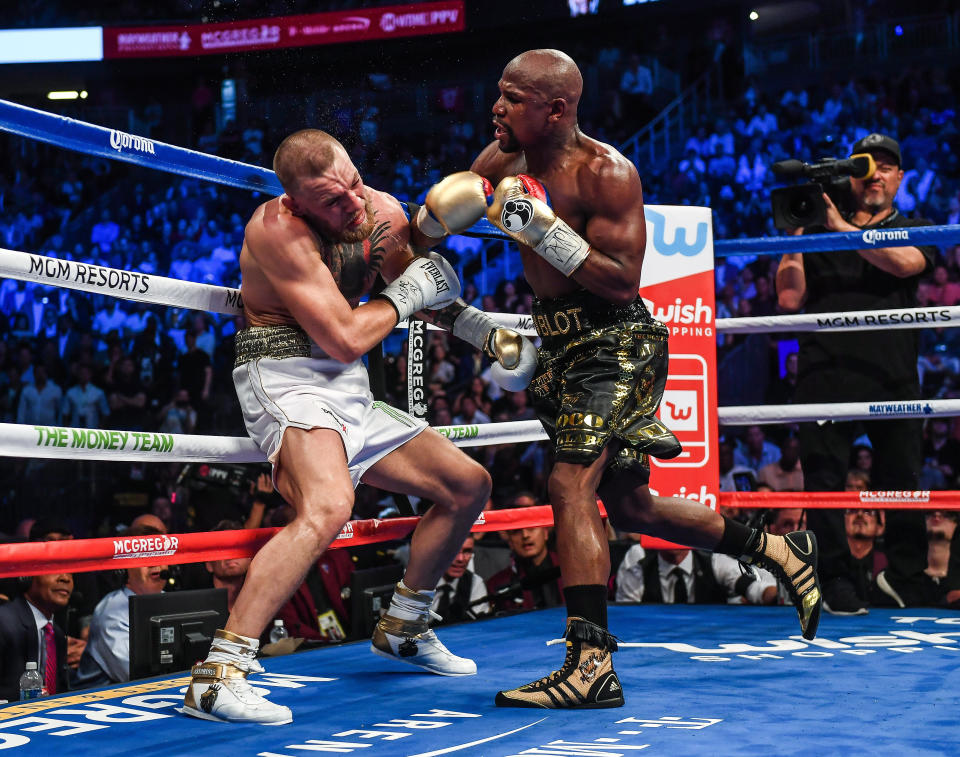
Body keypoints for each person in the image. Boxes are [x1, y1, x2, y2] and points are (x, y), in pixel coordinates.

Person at [414, 49, 821, 709]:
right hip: (559, 344)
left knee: (569, 483)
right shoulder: (495, 165)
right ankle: (780, 549)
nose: (495, 107)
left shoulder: (606, 173)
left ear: (555, 108)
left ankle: (591, 663)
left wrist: (546, 233)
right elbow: (423, 235)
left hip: (617, 341)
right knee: (631, 507)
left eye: (511, 98)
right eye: (499, 93)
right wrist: (422, 228)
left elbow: (622, 280)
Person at [184, 129, 535, 725]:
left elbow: (420, 288)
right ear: (297, 203)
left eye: (352, 183)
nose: (352, 204)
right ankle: (218, 676)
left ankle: (404, 624)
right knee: (327, 506)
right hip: (285, 377)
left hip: (350, 388)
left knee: (467, 485)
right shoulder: (276, 230)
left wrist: (484, 333)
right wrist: (403, 299)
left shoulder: (379, 210)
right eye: (332, 200)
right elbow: (347, 336)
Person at [776, 132, 938, 613]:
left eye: (888, 166)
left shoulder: (914, 225)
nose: (878, 174)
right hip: (826, 376)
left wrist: (837, 226)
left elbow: (907, 264)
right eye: (869, 164)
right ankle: (837, 582)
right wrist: (796, 239)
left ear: (900, 178)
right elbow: (788, 299)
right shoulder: (818, 229)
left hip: (893, 379)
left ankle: (905, 578)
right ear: (853, 173)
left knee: (903, 483)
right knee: (824, 486)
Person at [74, 524, 168, 687]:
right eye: (145, 557)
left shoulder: (171, 601)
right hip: (98, 702)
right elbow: (137, 677)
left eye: (160, 556)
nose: (155, 564)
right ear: (124, 570)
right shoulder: (111, 611)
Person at [614, 545, 778, 605]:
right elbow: (628, 620)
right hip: (653, 642)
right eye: (666, 526)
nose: (672, 533)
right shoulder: (639, 567)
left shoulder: (714, 562)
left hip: (707, 640)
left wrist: (771, 595)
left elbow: (752, 587)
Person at [0, 571, 73, 701]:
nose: (65, 578)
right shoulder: (3, 622)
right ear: (26, 576)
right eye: (55, 570)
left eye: (71, 574)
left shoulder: (56, 633)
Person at [431, 535, 490, 624]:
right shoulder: (413, 582)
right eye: (453, 551)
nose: (461, 559)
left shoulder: (475, 583)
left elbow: (479, 629)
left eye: (467, 551)